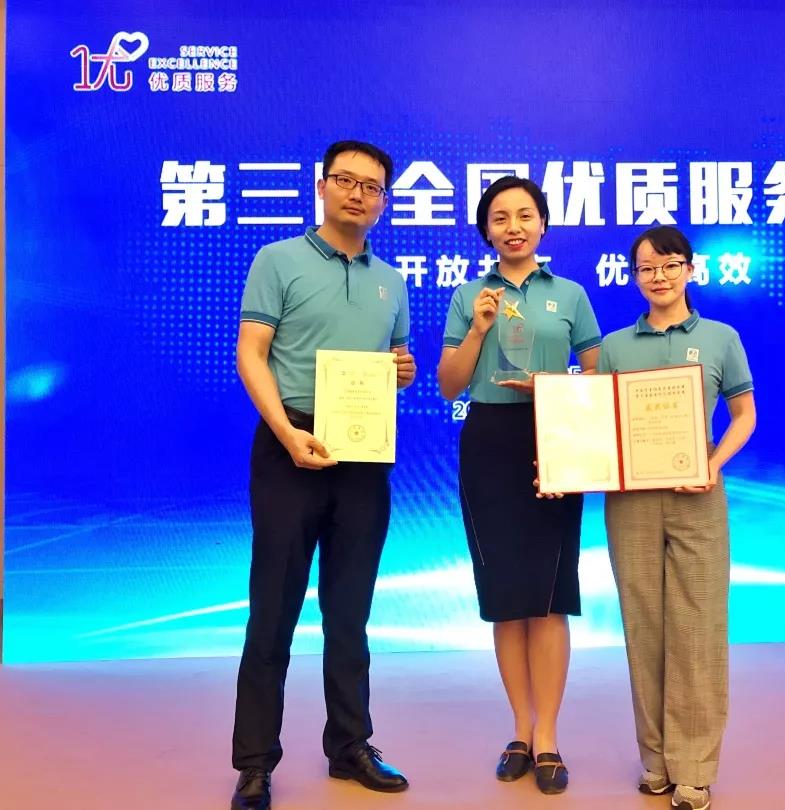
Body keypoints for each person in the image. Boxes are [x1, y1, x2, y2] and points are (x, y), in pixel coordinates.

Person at [230, 140, 416, 810]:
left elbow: (395, 360)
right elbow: (251, 353)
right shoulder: (277, 260)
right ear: (322, 185)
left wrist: (402, 370)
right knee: (272, 610)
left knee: (350, 611)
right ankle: (254, 763)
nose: (358, 194)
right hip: (289, 446)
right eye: (346, 180)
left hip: (362, 455)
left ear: (383, 201)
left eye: (372, 187)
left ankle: (350, 745)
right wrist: (287, 432)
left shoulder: (391, 280)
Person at [437, 176, 601, 795]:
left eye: (525, 215)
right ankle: (521, 731)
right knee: (507, 595)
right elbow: (449, 384)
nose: (514, 227)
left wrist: (552, 389)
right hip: (489, 441)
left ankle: (550, 736)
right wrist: (477, 330)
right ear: (486, 230)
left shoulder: (571, 295)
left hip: (556, 435)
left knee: (551, 594)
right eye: (500, 217)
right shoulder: (468, 295)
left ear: (543, 225)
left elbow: (598, 379)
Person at [599, 225, 756, 810]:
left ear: (690, 270)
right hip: (631, 500)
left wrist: (713, 464)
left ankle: (694, 768)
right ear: (634, 276)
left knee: (697, 628)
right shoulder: (615, 346)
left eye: (669, 265)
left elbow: (744, 414)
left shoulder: (720, 338)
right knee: (644, 626)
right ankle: (657, 761)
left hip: (697, 495)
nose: (658, 277)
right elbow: (597, 423)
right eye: (646, 268)